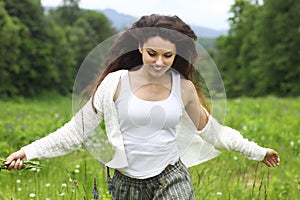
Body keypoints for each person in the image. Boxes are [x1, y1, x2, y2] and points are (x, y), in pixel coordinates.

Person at [5, 14, 280, 200]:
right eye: (152, 53)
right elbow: (75, 131)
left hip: (171, 178)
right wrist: (28, 151)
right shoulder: (115, 84)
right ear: (140, 46)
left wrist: (256, 151)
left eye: (168, 55)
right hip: (125, 185)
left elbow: (213, 131)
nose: (159, 62)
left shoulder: (183, 88)